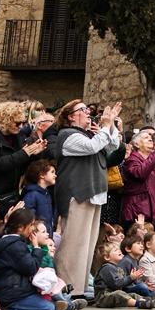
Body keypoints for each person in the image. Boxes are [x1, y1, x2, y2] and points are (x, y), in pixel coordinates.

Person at [49, 99, 123, 296]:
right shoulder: (67, 136)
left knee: (87, 245)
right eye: (82, 110)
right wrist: (106, 126)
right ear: (71, 116)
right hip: (77, 194)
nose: (87, 112)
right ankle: (66, 287)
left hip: (94, 194)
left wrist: (112, 124)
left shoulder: (90, 133)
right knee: (74, 244)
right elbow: (92, 147)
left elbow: (113, 145)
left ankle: (79, 289)